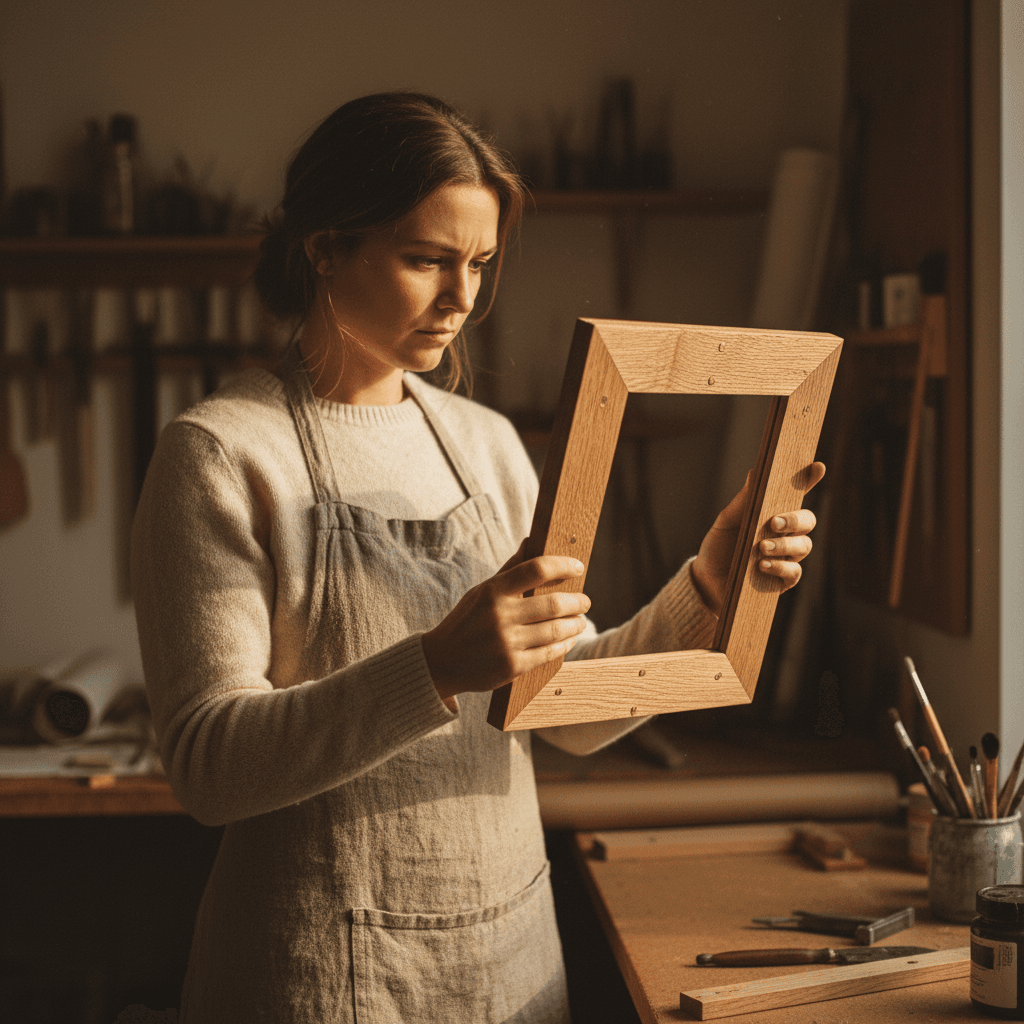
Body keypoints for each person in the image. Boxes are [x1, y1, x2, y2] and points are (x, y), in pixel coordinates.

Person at [131, 91, 824, 1024]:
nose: (462, 299)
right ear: (325, 247)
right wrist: (436, 667)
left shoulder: (489, 444)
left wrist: (708, 580)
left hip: (507, 958)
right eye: (427, 260)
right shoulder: (221, 453)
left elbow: (566, 714)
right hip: (314, 973)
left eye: (480, 264)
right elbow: (208, 769)